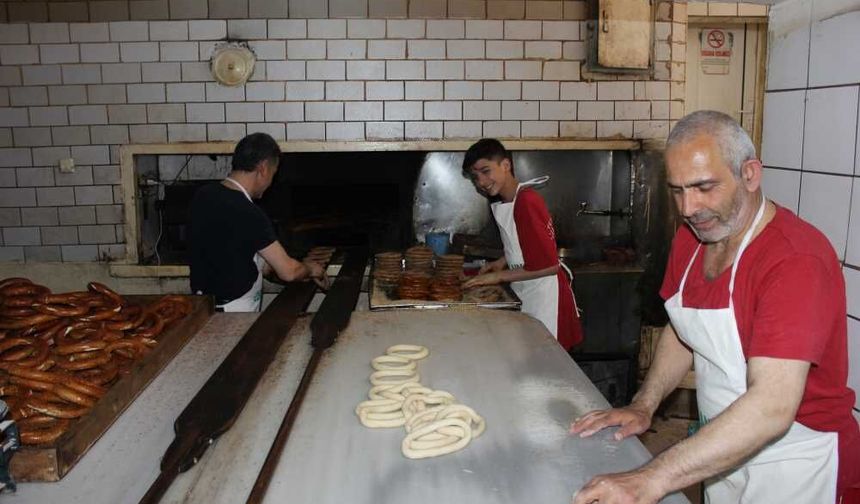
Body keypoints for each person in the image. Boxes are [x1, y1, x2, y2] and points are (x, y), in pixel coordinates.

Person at [570, 111, 860, 504]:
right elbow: (682, 330)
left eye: (705, 187)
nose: (689, 208)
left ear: (750, 175)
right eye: (677, 190)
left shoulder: (794, 260)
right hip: (719, 450)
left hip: (797, 461)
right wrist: (645, 404)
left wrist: (652, 477)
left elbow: (773, 407)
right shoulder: (692, 241)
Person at [461, 138, 583, 350]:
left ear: (505, 165)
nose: (481, 181)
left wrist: (497, 277)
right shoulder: (510, 200)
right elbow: (525, 243)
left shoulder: (526, 201)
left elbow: (550, 265)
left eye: (485, 171)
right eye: (475, 176)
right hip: (529, 293)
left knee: (546, 373)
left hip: (546, 302)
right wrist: (503, 261)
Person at [190, 133, 329, 312]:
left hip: (201, 308)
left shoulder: (204, 195)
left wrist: (271, 266)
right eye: (273, 173)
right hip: (234, 312)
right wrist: (310, 269)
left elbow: (230, 250)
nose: (271, 182)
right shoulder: (249, 212)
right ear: (263, 168)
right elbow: (289, 271)